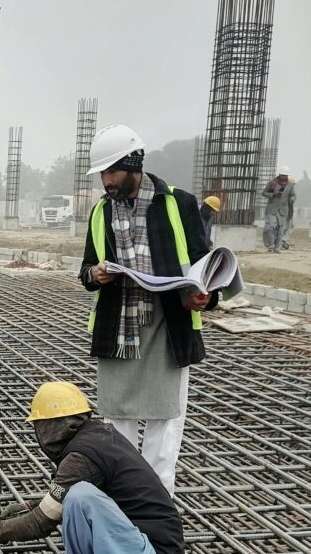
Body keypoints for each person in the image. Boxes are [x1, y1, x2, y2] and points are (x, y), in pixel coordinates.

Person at [0, 382, 188, 554]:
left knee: (80, 498)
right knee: (76, 496)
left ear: (52, 426)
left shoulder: (81, 457)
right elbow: (55, 501)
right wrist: (29, 507)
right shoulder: (98, 436)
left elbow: (42, 522)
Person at [79, 124, 216, 497]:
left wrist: (203, 294)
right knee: (117, 420)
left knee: (163, 422)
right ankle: (124, 500)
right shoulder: (101, 213)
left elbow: (205, 266)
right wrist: (96, 273)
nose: (106, 181)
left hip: (167, 327)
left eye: (112, 172)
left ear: (134, 164)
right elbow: (86, 269)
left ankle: (157, 506)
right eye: (102, 173)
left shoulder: (178, 205)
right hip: (118, 327)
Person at [262, 165, 295, 252]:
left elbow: (293, 195)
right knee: (271, 227)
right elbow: (264, 193)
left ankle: (278, 247)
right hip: (271, 209)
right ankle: (271, 245)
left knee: (281, 230)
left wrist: (292, 199)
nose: (284, 177)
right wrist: (272, 194)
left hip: (283, 210)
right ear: (279, 175)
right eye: (283, 175)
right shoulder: (272, 183)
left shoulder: (290, 185)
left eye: (286, 176)